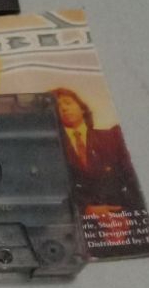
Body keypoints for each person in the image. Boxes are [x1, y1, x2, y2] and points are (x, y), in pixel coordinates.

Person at [51, 87, 143, 219]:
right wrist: (86, 210)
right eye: (57, 107)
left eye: (68, 102)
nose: (64, 108)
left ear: (82, 108)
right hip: (81, 221)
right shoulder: (52, 150)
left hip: (123, 216)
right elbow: (54, 190)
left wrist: (129, 217)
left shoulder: (113, 137)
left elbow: (135, 180)